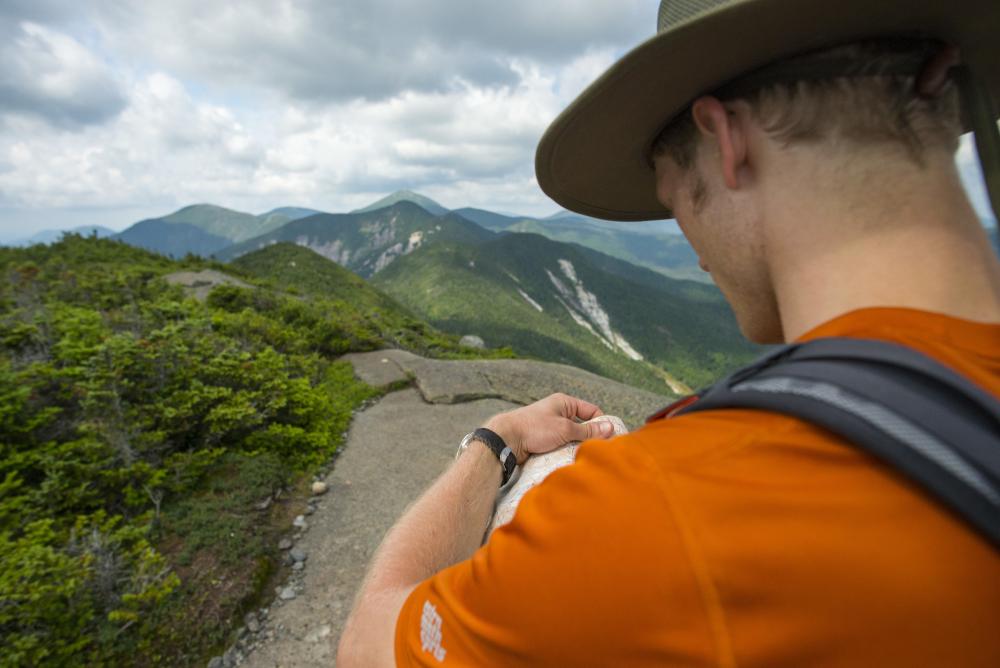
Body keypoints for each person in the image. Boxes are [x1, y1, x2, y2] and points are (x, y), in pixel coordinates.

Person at [339, 0, 1000, 665]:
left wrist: (499, 440)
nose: (693, 246)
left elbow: (370, 643)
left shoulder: (658, 510)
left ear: (724, 139)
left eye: (672, 194)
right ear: (943, 79)